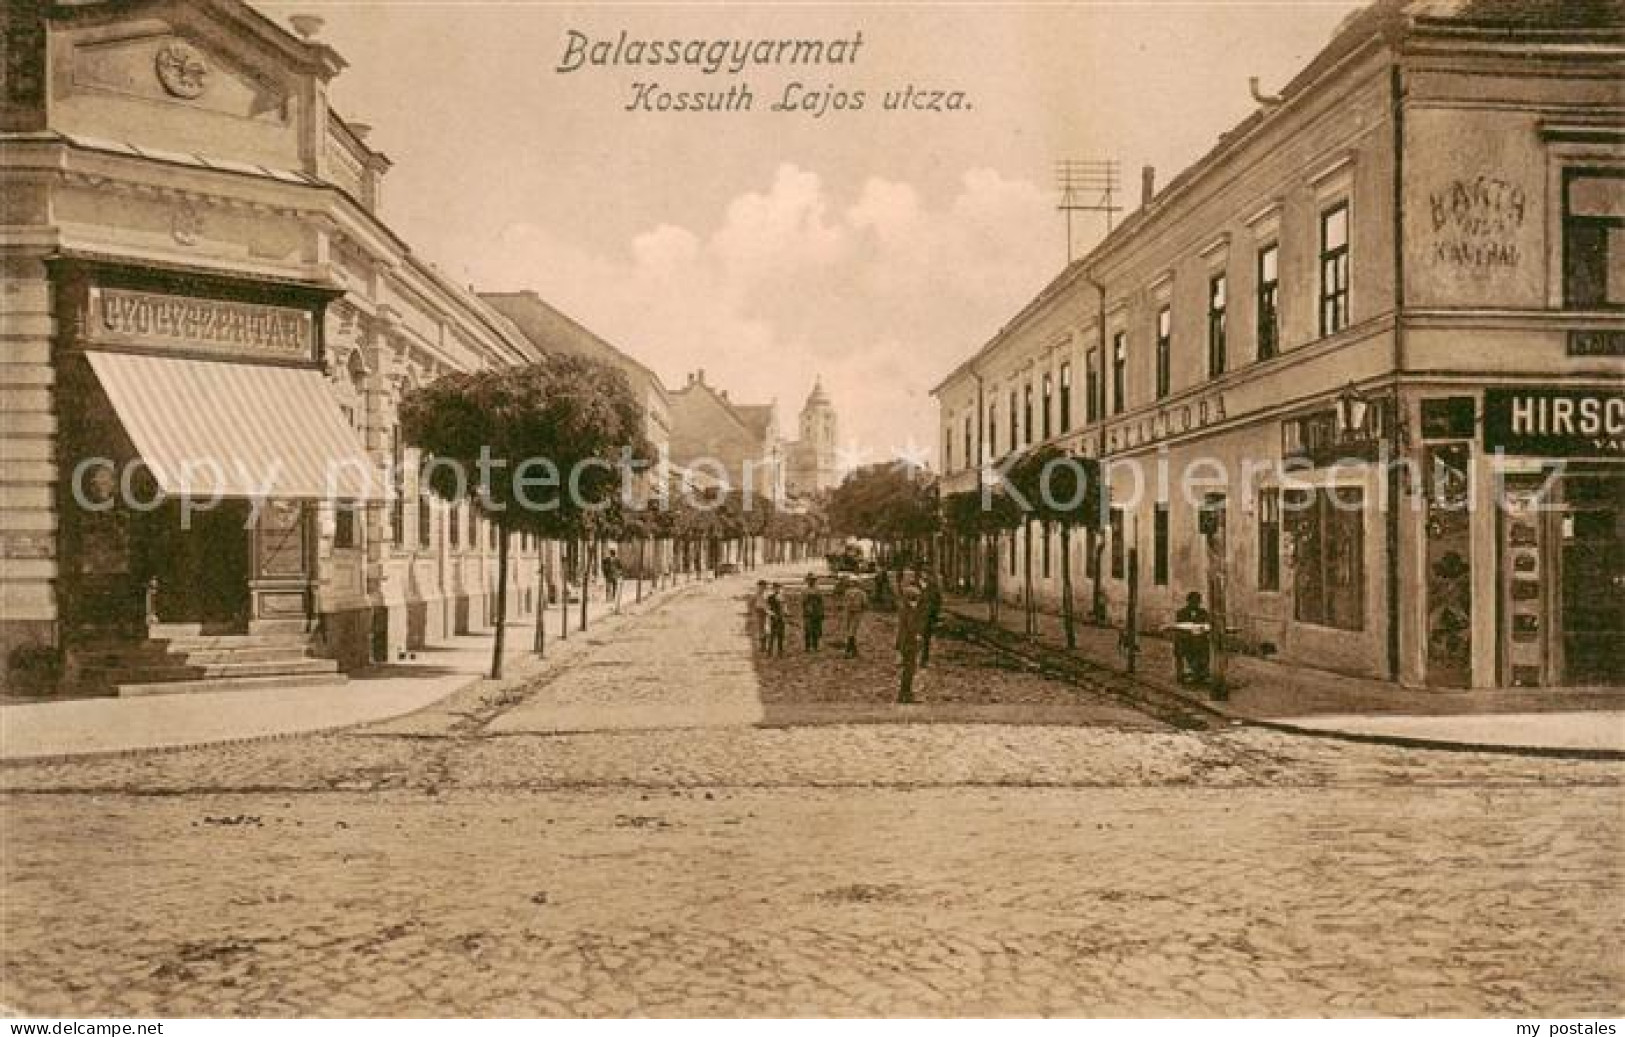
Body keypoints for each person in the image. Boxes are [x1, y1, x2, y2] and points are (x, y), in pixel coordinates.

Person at [895, 576, 924, 703]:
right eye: (916, 598)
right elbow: (911, 627)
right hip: (909, 643)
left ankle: (905, 693)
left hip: (905, 642)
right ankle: (905, 694)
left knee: (909, 669)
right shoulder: (909, 611)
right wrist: (918, 635)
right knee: (909, 669)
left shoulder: (905, 609)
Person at [1174, 591, 1212, 685]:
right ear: (1188, 601)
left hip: (1199, 638)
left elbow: (1207, 625)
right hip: (1185, 639)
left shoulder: (1203, 613)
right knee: (1188, 646)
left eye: (1197, 602)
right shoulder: (1181, 613)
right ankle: (1192, 671)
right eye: (1193, 601)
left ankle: (1201, 672)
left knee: (1204, 646)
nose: (1195, 604)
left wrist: (1203, 628)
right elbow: (1180, 627)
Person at [918, 569, 943, 668]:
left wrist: (935, 616)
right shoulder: (918, 587)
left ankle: (924, 660)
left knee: (925, 640)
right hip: (919, 618)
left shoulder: (933, 589)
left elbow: (937, 603)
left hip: (927, 618)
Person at [838, 575, 867, 658]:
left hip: (848, 613)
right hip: (857, 612)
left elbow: (844, 602)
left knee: (850, 630)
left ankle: (853, 651)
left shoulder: (847, 592)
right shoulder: (861, 593)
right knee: (853, 631)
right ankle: (848, 651)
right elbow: (865, 603)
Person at [801, 573, 825, 652]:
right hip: (808, 612)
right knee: (807, 630)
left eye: (813, 580)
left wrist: (821, 612)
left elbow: (821, 602)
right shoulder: (805, 590)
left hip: (816, 612)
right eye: (810, 580)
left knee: (816, 629)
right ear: (807, 581)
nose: (811, 581)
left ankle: (815, 646)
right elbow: (803, 602)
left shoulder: (818, 590)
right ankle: (807, 647)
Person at [766, 583, 787, 657]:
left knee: (781, 635)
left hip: (781, 619)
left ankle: (780, 652)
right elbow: (767, 608)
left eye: (778, 588)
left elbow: (784, 607)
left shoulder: (782, 597)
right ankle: (769, 652)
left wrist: (786, 613)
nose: (777, 589)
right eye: (775, 588)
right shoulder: (770, 597)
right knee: (772, 635)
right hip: (773, 619)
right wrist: (773, 614)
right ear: (773, 589)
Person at [749, 580, 769, 651]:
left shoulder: (767, 595)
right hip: (759, 611)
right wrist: (752, 611)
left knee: (766, 628)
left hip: (766, 612)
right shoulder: (756, 595)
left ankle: (765, 645)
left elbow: (769, 604)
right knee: (760, 628)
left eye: (763, 586)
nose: (761, 588)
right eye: (760, 586)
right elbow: (752, 603)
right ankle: (762, 646)